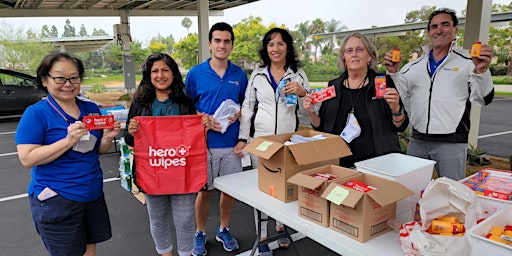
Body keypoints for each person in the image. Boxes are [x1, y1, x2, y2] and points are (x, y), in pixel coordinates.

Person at [15, 51, 121, 256]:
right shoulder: (36, 113)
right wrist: (68, 140)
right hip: (57, 198)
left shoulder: (90, 108)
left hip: (92, 193)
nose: (68, 83)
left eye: (74, 78)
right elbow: (27, 158)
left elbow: (97, 150)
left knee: (91, 248)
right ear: (45, 80)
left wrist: (108, 137)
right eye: (60, 78)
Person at [383, 8, 494, 181]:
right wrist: (393, 72)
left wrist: (481, 71)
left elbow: (483, 98)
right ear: (429, 32)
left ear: (455, 29)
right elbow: (400, 97)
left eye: (445, 24)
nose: (439, 30)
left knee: (451, 194)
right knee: (411, 190)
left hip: (452, 143)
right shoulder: (413, 66)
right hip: (417, 141)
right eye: (434, 26)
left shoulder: (468, 62)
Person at [234, 27, 309, 255]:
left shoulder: (298, 75)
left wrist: (303, 92)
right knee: (263, 188)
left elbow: (311, 107)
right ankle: (263, 233)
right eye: (271, 44)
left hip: (287, 142)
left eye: (280, 44)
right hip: (262, 142)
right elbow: (247, 109)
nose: (275, 49)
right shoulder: (257, 75)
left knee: (284, 185)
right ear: (266, 49)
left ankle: (280, 224)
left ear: (288, 47)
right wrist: (243, 138)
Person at [124, 53, 198, 256]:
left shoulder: (184, 101)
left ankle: (186, 253)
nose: (160, 75)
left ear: (173, 74)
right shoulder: (140, 103)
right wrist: (131, 131)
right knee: (157, 218)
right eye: (155, 71)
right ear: (148, 75)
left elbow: (194, 137)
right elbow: (129, 141)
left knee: (185, 219)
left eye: (165, 70)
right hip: (152, 172)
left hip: (181, 171)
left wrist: (204, 126)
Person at [185, 22, 248, 256]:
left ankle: (224, 228)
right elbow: (186, 107)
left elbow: (246, 105)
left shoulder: (239, 75)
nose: (222, 45)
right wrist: (200, 117)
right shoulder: (195, 74)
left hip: (232, 146)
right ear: (210, 44)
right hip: (205, 146)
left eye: (227, 41)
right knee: (204, 191)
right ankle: (200, 232)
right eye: (218, 41)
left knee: (228, 190)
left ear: (232, 45)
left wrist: (240, 113)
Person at [303, 32, 408, 168]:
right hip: (339, 165)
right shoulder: (334, 86)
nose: (354, 54)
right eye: (349, 51)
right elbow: (321, 127)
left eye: (360, 49)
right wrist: (311, 112)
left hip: (378, 166)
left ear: (369, 56)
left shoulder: (382, 84)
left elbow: (401, 126)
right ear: (344, 58)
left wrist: (396, 109)